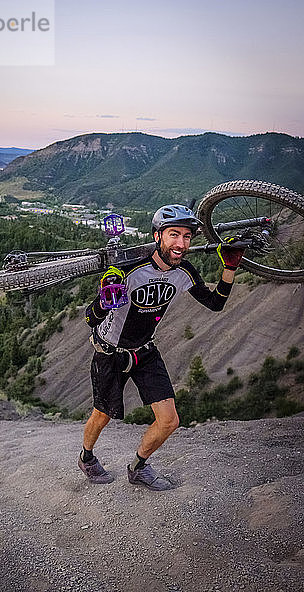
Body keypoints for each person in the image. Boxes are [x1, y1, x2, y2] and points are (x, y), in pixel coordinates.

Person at [78, 204, 244, 490]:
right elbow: (89, 318)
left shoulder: (185, 272)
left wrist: (229, 268)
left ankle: (138, 467)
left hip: (145, 351)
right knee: (102, 414)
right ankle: (87, 457)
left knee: (169, 421)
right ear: (158, 236)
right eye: (173, 235)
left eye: (187, 236)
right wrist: (105, 300)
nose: (181, 243)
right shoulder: (128, 269)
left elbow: (215, 303)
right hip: (110, 352)